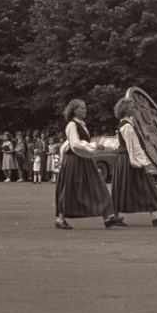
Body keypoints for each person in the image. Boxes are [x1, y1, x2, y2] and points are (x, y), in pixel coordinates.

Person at [54, 99, 120, 230]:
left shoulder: (81, 124)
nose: (85, 110)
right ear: (74, 110)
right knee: (70, 188)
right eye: (82, 108)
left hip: (84, 159)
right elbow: (75, 144)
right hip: (74, 160)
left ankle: (107, 216)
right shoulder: (72, 125)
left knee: (98, 185)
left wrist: (93, 147)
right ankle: (60, 218)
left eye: (85, 108)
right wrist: (94, 146)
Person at [109, 97, 157, 226]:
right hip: (130, 160)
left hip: (126, 159)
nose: (135, 109)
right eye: (132, 107)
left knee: (127, 186)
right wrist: (144, 164)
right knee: (144, 185)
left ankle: (156, 215)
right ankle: (156, 215)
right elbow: (134, 148)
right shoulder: (127, 127)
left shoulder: (127, 124)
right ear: (126, 110)